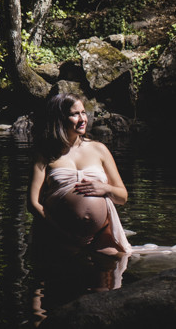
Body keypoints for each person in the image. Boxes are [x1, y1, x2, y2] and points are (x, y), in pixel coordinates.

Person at [26, 93, 132, 257]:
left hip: (101, 236)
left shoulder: (99, 149)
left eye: (83, 112)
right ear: (59, 119)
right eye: (75, 114)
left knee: (111, 276)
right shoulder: (45, 155)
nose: (82, 119)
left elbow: (122, 197)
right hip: (59, 236)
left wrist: (105, 188)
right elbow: (33, 204)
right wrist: (64, 233)